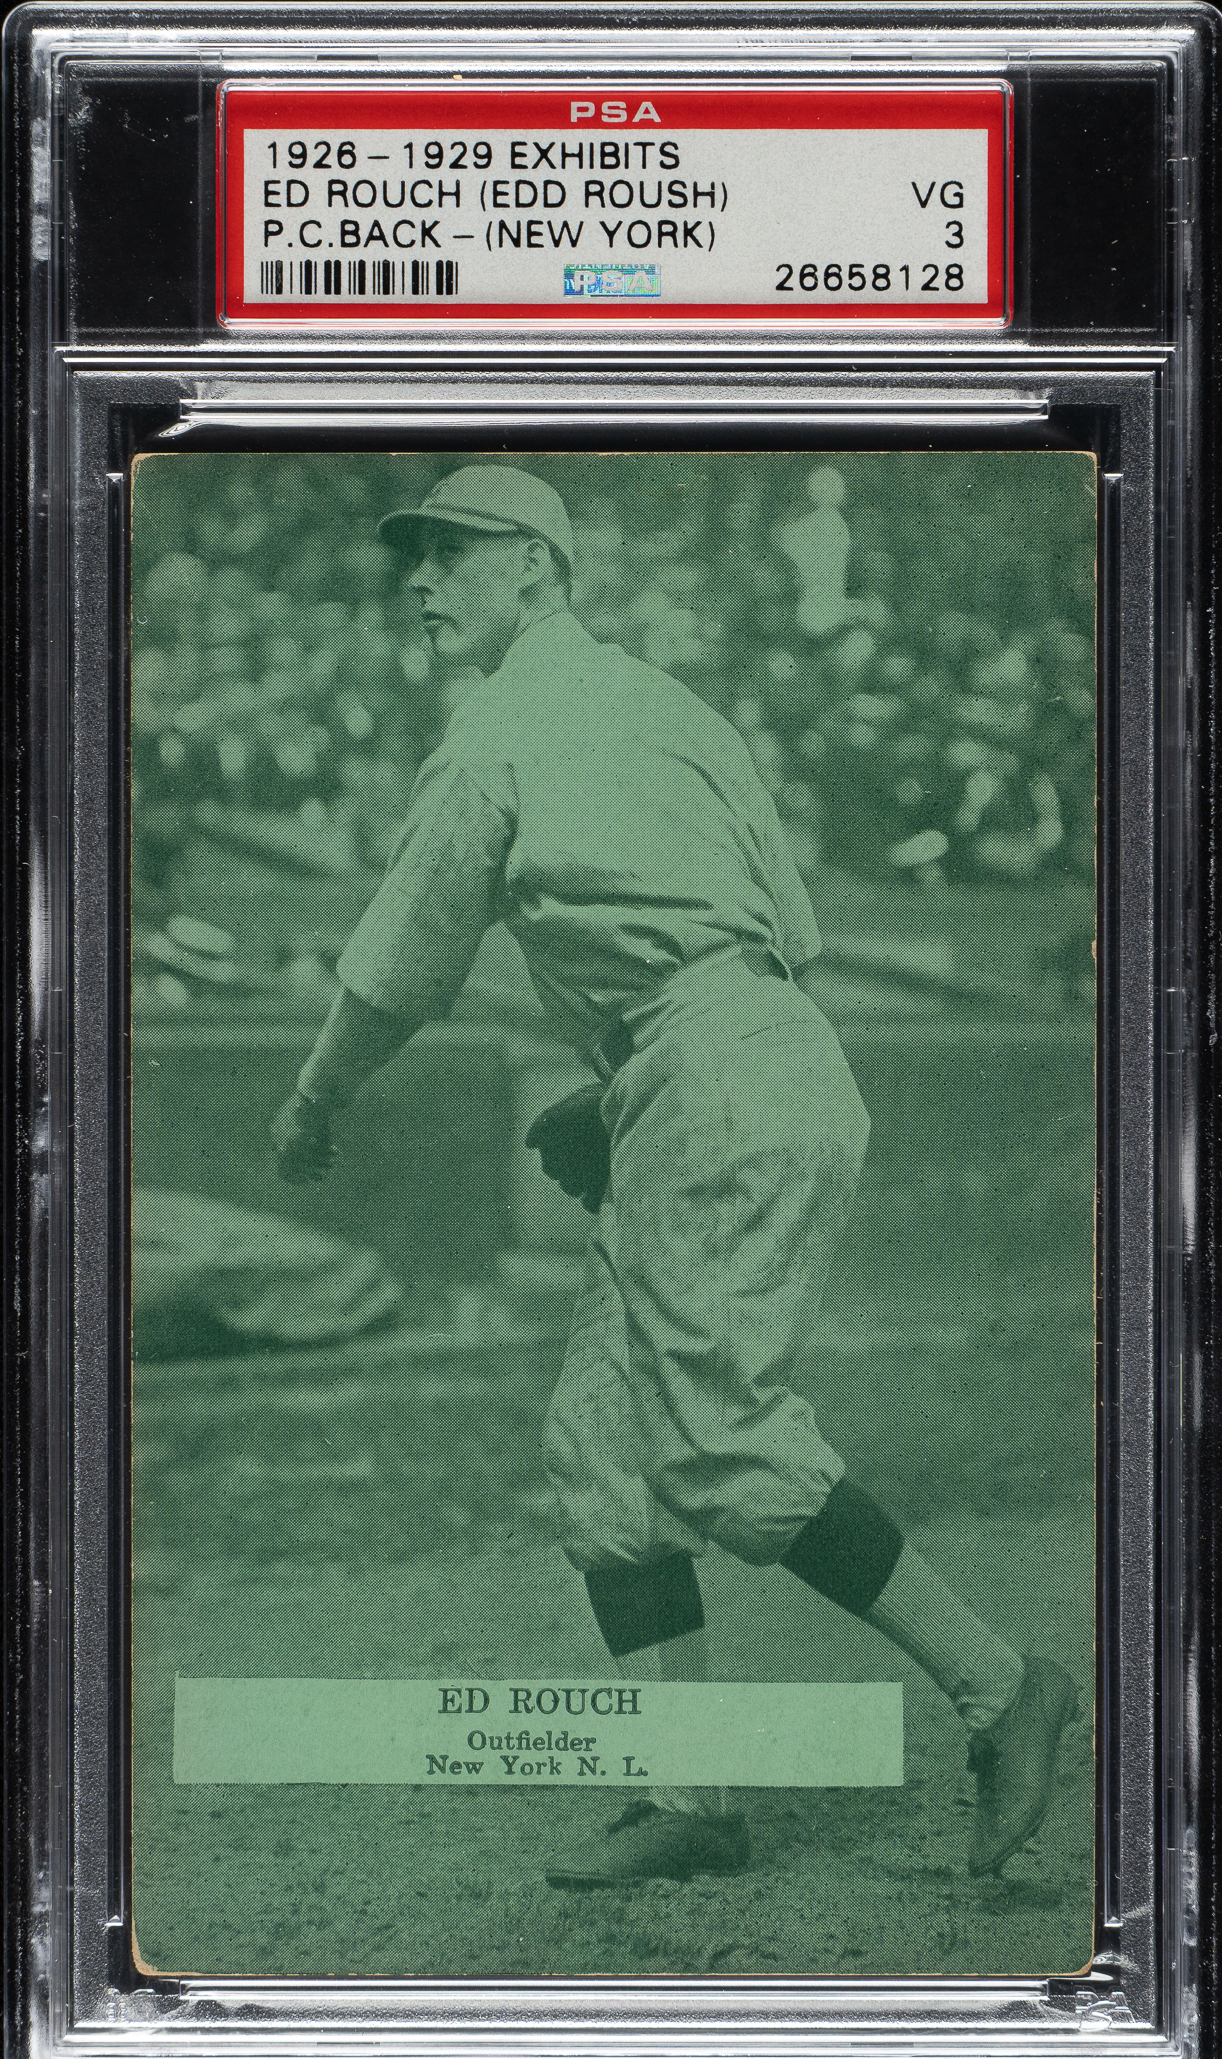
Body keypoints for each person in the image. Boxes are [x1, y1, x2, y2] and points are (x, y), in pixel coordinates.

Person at [271, 464, 1078, 1888]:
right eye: (417, 557)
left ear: (535, 565)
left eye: (451, 553)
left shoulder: (497, 728)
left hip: (712, 1076)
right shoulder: (677, 710)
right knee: (606, 1454)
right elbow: (781, 936)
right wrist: (629, 1081)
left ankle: (1001, 1686)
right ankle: (690, 1795)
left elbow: (402, 964)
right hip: (747, 1055)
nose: (422, 581)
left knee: (718, 1442)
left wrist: (315, 1096)